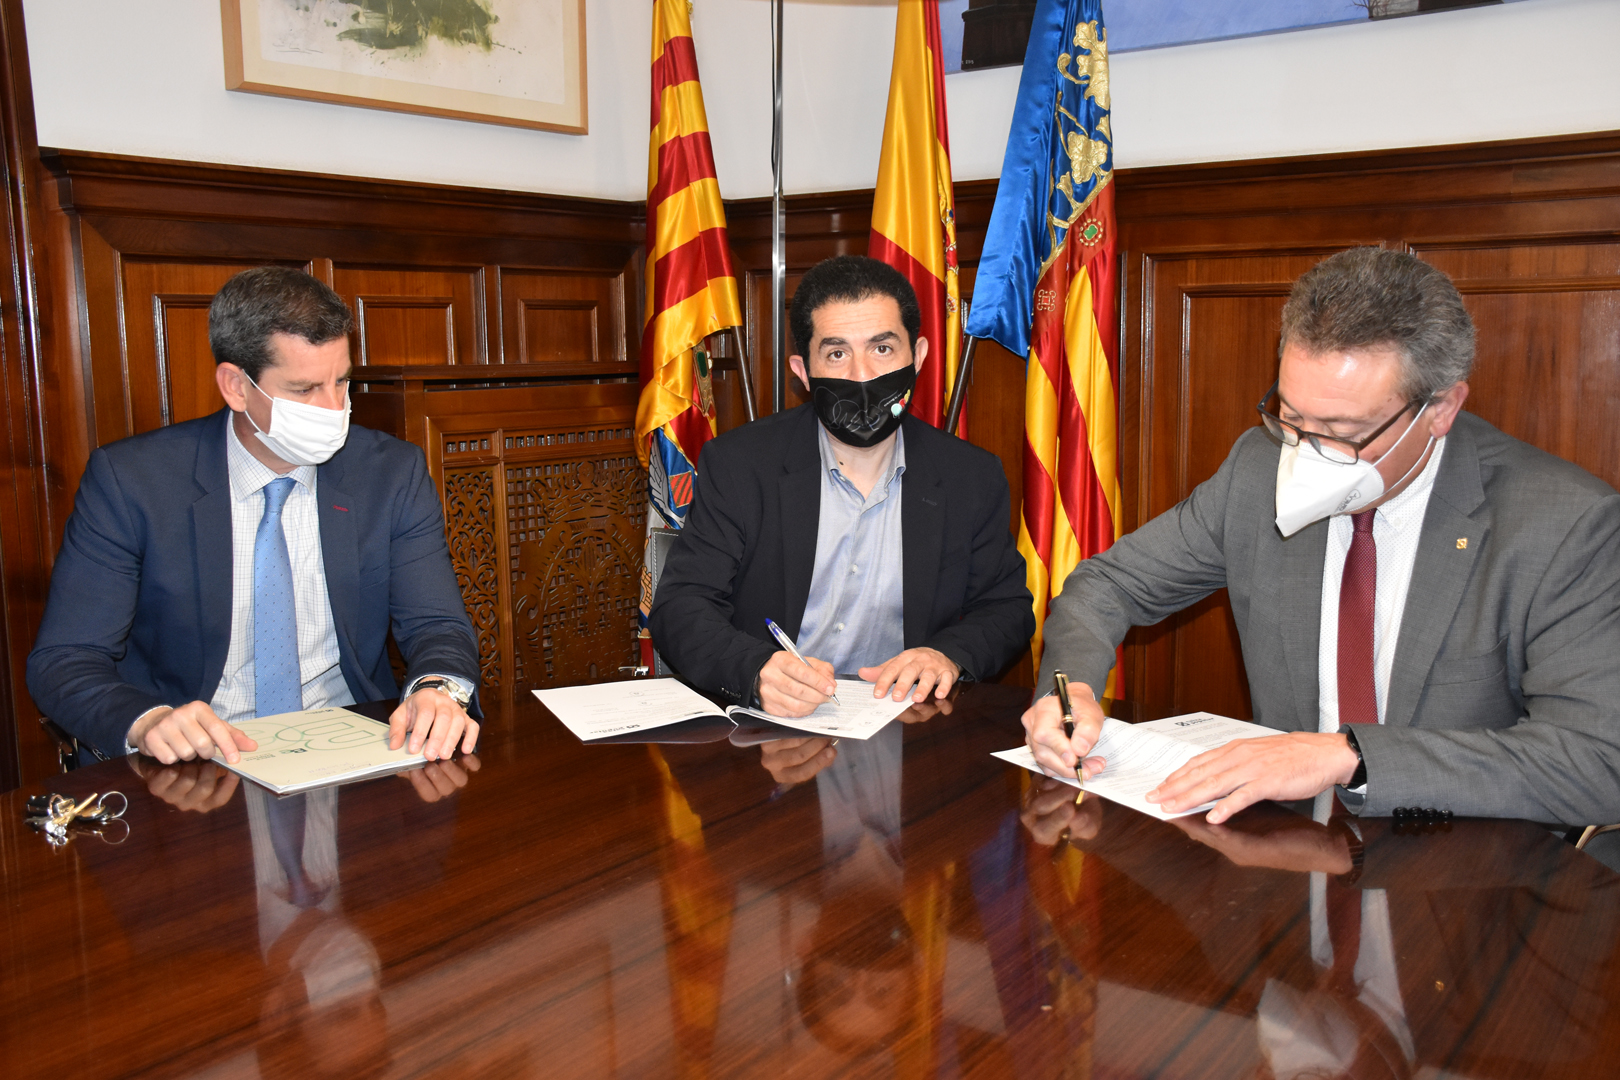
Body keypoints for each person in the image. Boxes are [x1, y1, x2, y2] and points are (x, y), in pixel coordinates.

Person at [1023, 246, 1620, 826]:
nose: (1306, 454)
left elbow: (1598, 764)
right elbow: (1109, 585)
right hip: (1288, 844)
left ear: (1440, 410)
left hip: (1463, 857)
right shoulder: (1258, 469)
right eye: (1291, 417)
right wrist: (1067, 691)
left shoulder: (1564, 525)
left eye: (1343, 431)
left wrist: (1350, 757)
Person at [28, 266, 481, 764]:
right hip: (196, 762)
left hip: (351, 747)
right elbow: (65, 659)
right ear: (236, 387)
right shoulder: (132, 482)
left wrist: (438, 690)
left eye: (342, 381)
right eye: (304, 389)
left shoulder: (390, 472)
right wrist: (148, 720)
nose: (334, 408)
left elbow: (437, 624)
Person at [650, 255, 1033, 717]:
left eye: (882, 349)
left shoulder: (970, 476)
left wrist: (946, 655)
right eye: (837, 354)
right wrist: (754, 671)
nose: (862, 374)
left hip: (907, 722)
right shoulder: (739, 465)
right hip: (775, 727)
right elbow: (680, 606)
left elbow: (1006, 608)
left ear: (919, 356)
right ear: (802, 371)